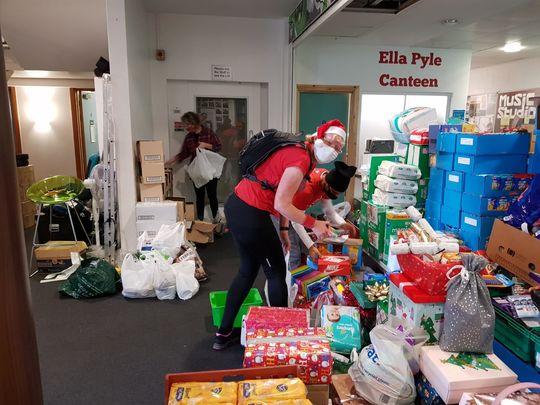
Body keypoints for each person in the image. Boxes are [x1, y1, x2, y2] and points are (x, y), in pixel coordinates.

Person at [213, 119, 347, 350]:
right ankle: (282, 338)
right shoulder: (301, 159)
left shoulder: (299, 150)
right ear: (318, 136)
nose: (333, 148)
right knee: (275, 272)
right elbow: (283, 204)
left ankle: (222, 334)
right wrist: (313, 223)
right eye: (330, 141)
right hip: (251, 213)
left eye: (338, 146)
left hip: (238, 206)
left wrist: (283, 231)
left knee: (247, 271)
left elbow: (284, 198)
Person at [277, 161, 358, 270]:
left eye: (337, 194)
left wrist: (342, 224)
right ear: (327, 184)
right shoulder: (306, 189)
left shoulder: (327, 178)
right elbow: (296, 221)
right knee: (292, 252)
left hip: (297, 214)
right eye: (334, 192)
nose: (334, 196)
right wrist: (310, 246)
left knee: (298, 246)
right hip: (281, 215)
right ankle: (288, 284)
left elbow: (328, 211)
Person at [165, 111, 222, 222]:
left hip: (210, 170)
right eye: (184, 125)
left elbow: (218, 147)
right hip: (196, 171)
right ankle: (200, 220)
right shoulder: (189, 137)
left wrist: (206, 145)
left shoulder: (208, 133)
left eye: (187, 125)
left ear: (194, 122)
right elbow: (183, 154)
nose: (186, 127)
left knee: (212, 195)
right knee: (199, 196)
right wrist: (167, 163)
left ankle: (216, 219)